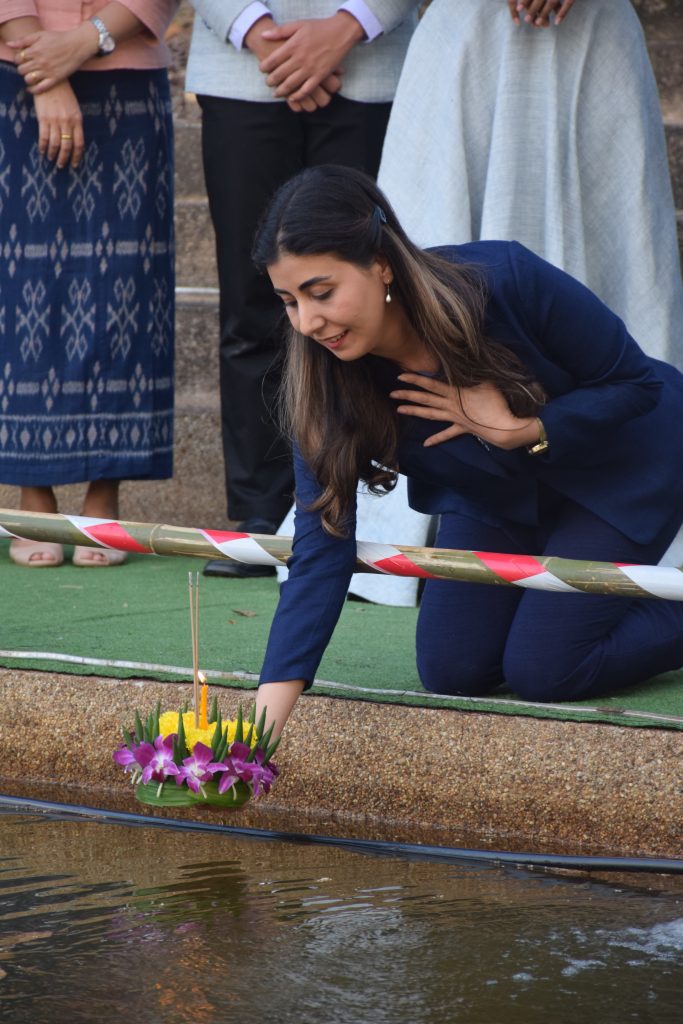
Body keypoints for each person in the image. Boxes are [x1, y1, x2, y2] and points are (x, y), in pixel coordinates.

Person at [249, 164, 683, 737]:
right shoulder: (322, 383)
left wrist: (526, 428)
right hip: (493, 494)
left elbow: (634, 383)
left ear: (380, 263)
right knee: (453, 668)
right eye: (288, 301)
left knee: (545, 668)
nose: (308, 322)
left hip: (619, 467)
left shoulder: (505, 278)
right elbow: (321, 548)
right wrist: (256, 737)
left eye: (321, 292)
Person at [184, 0, 419, 578]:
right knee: (253, 301)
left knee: (368, 301)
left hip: (372, 68)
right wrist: (260, 34)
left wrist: (348, 25)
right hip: (242, 71)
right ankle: (261, 513)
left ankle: (367, 507)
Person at [0, 0, 178, 566]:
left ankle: (105, 490)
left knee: (126, 283)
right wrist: (45, 72)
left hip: (128, 69)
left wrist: (86, 39)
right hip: (14, 71)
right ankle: (33, 494)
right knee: (18, 281)